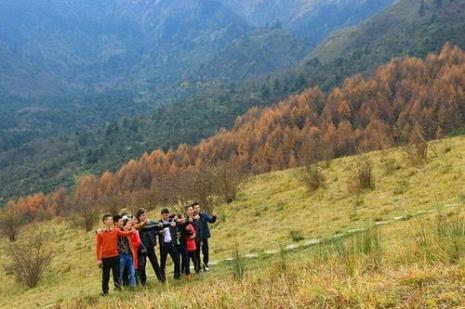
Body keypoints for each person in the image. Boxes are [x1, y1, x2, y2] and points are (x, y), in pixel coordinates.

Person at [96, 214, 134, 295]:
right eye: (110, 220)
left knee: (116, 274)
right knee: (106, 275)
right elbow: (98, 247)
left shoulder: (115, 230)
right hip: (105, 258)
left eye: (112, 220)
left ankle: (118, 289)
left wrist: (132, 231)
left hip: (115, 256)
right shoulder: (100, 233)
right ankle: (105, 292)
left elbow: (125, 234)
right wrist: (98, 259)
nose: (111, 221)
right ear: (105, 221)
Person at [134, 208, 167, 284]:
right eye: (142, 215)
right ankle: (143, 282)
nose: (144, 216)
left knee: (155, 263)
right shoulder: (138, 225)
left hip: (150, 247)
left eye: (145, 214)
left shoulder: (151, 222)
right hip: (142, 248)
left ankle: (161, 279)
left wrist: (159, 232)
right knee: (142, 265)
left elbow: (155, 229)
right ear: (139, 217)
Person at [192, 202, 217, 271]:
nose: (198, 209)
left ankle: (205, 265)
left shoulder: (204, 215)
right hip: (196, 238)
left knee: (205, 252)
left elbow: (211, 220)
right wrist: (194, 219)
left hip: (204, 237)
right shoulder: (191, 218)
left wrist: (214, 216)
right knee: (197, 253)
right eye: (196, 208)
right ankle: (198, 267)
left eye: (198, 207)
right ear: (193, 209)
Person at [158, 209, 180, 280]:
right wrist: (159, 232)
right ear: (161, 215)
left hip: (171, 243)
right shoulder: (159, 223)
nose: (166, 216)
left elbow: (179, 224)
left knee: (176, 259)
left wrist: (176, 220)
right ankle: (163, 277)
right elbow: (155, 231)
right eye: (164, 214)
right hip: (163, 244)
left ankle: (176, 276)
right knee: (163, 261)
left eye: (167, 214)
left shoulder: (172, 221)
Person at [117, 217, 137, 288]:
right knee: (120, 273)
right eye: (120, 221)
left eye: (122, 222)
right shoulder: (114, 231)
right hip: (121, 255)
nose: (122, 223)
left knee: (132, 273)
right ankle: (119, 288)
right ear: (116, 223)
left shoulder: (125, 229)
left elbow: (136, 226)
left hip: (129, 254)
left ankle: (133, 287)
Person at [185, 204, 200, 275]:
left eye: (192, 210)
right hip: (188, 241)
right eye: (190, 210)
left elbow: (199, 229)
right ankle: (186, 272)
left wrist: (201, 239)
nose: (192, 211)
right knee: (187, 257)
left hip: (197, 239)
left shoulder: (196, 218)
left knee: (196, 256)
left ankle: (197, 269)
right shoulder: (185, 220)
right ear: (186, 212)